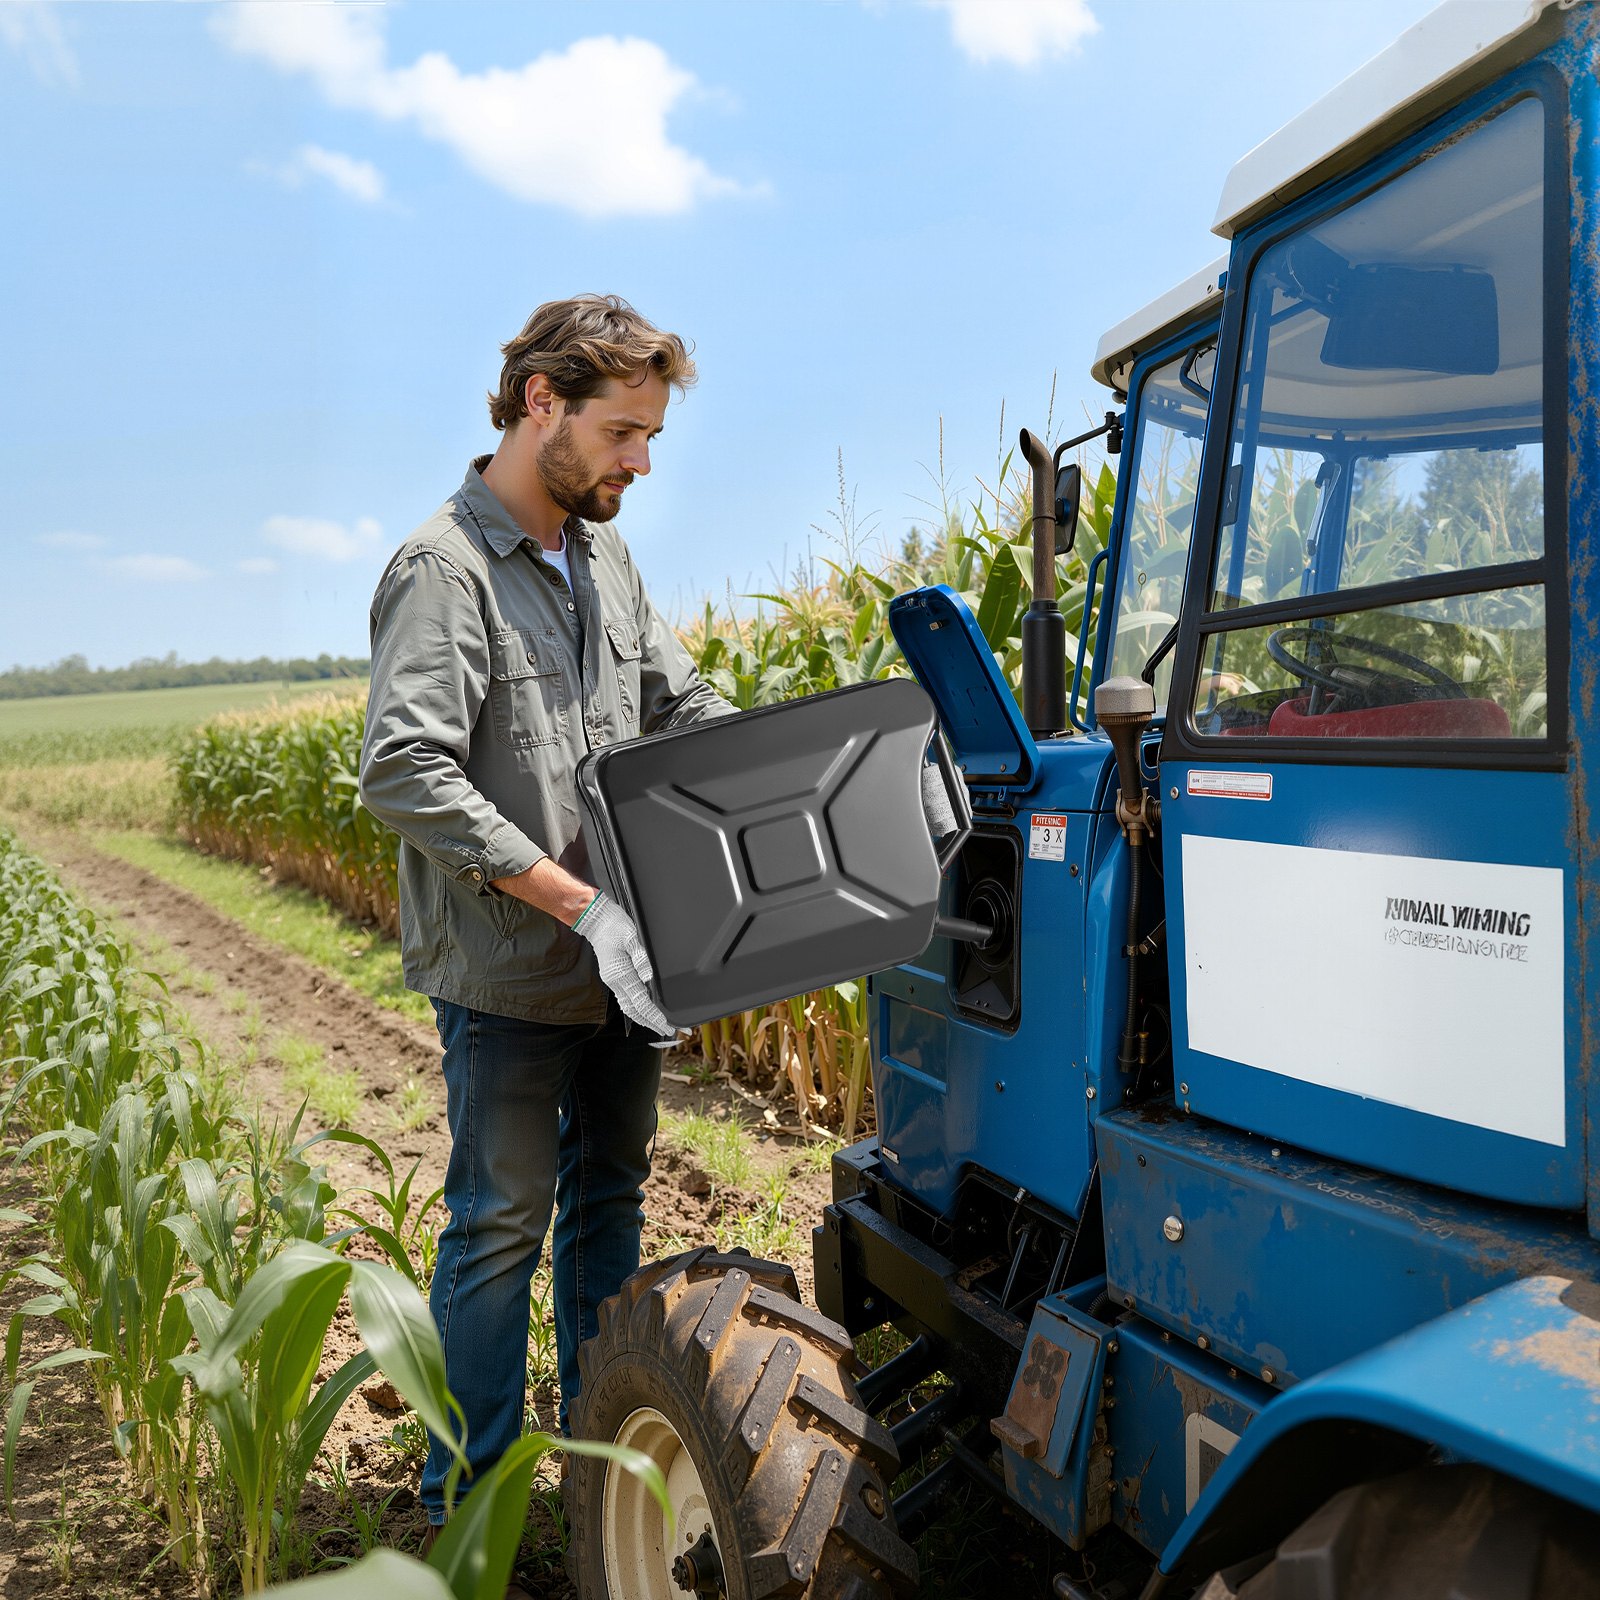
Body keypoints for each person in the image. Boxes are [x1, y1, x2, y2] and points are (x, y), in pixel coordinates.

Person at [358, 294, 736, 1543]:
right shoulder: (443, 570)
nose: (640, 460)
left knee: (611, 1204)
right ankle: (467, 1501)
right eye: (625, 430)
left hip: (626, 975)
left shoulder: (602, 552)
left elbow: (677, 703)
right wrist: (580, 904)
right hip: (517, 970)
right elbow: (405, 765)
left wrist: (781, 758)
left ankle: (592, 1469)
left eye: (649, 437)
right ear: (541, 404)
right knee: (497, 1230)